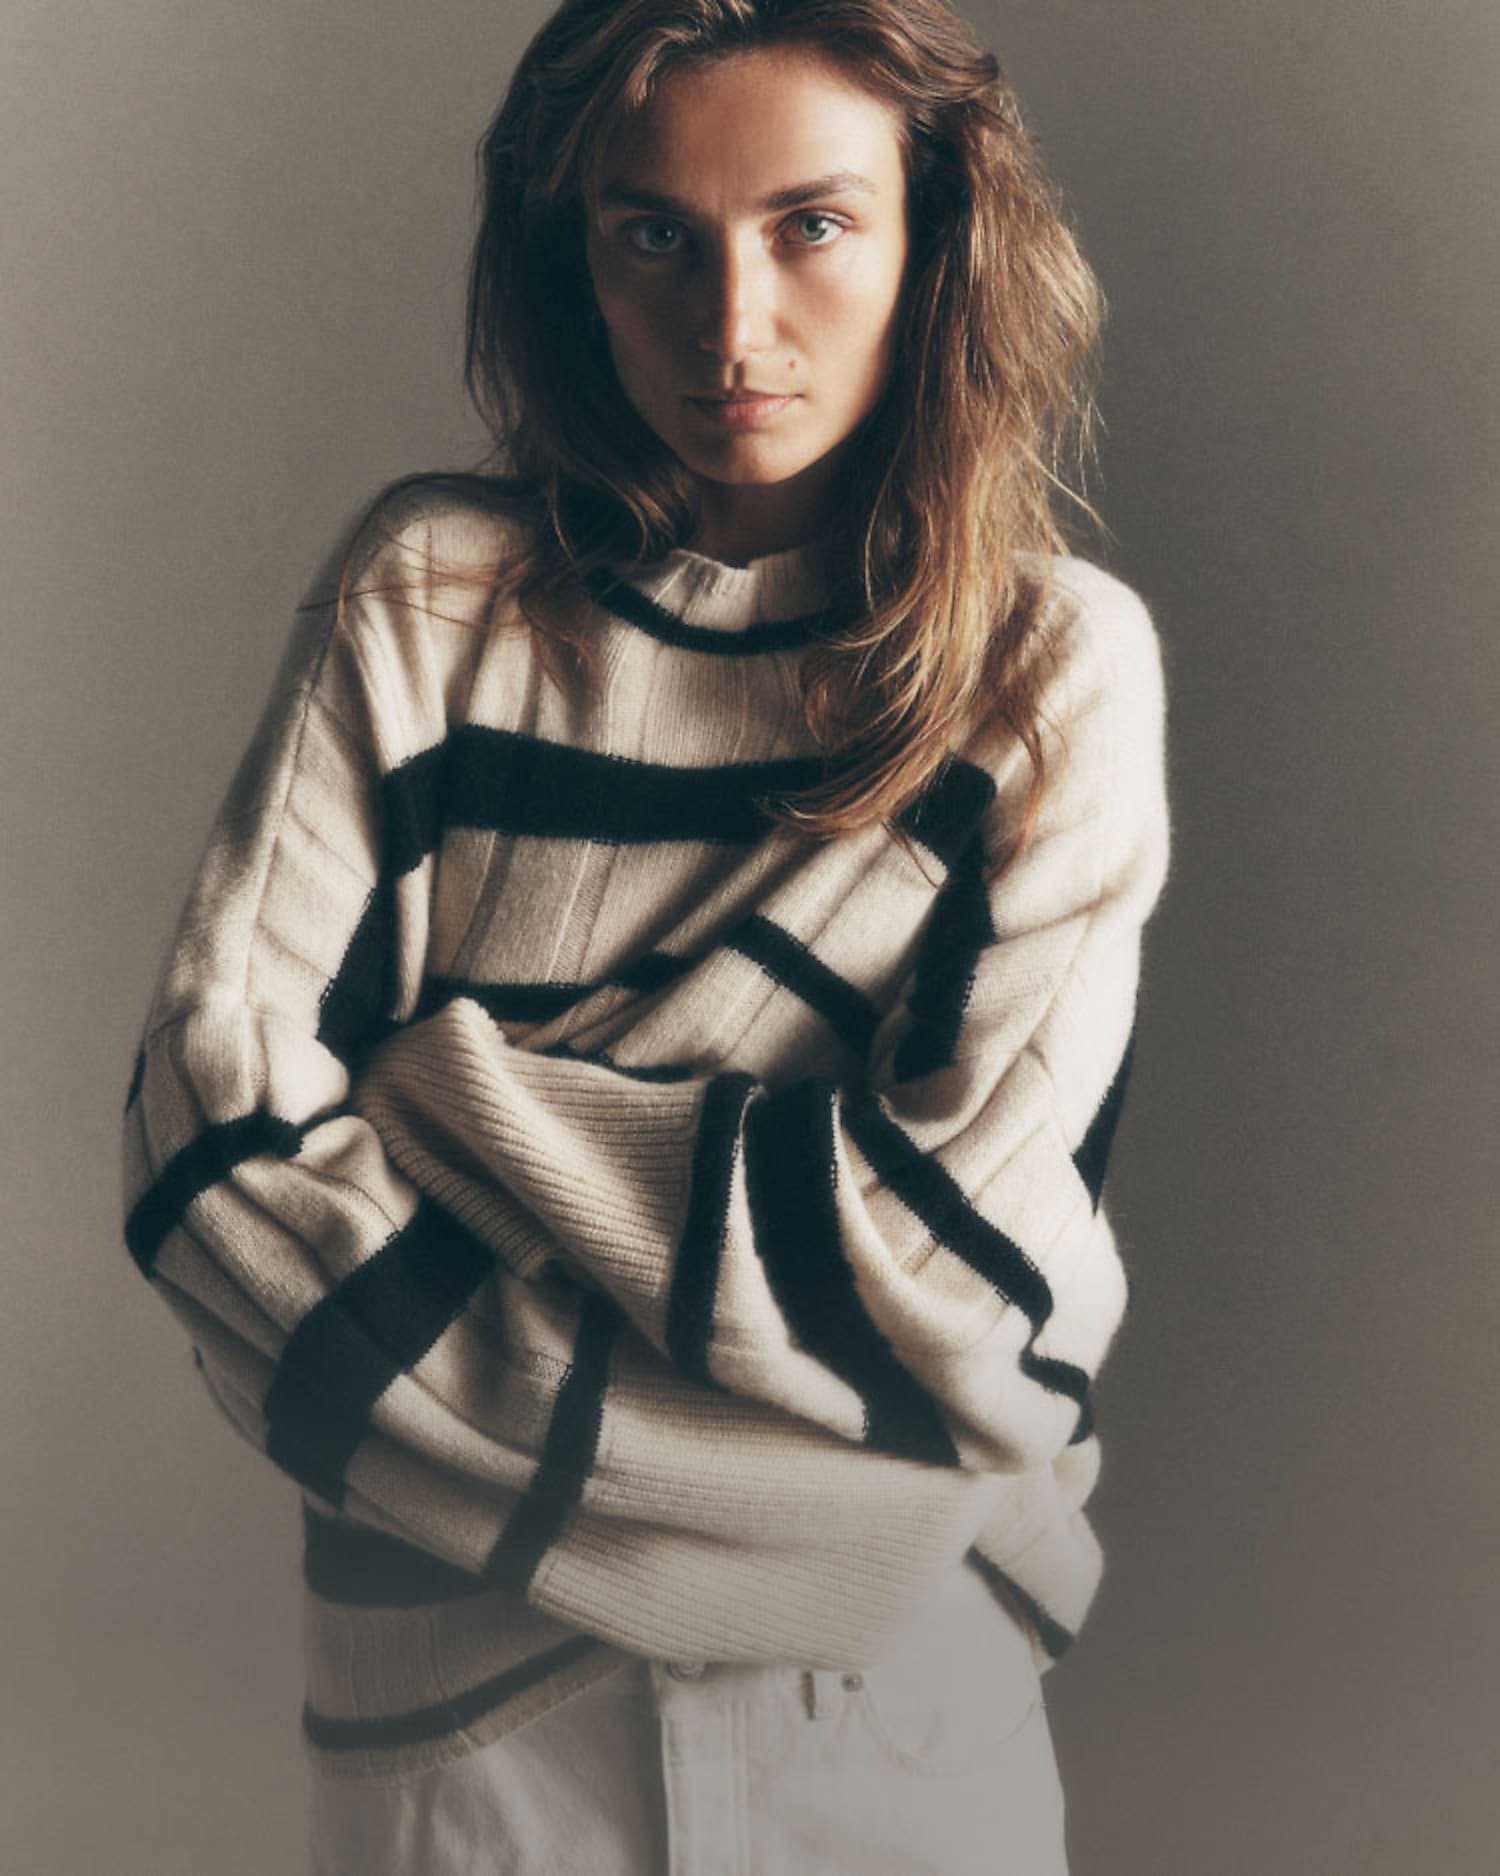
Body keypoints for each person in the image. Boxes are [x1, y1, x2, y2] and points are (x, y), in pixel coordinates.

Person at [120, 0, 1170, 1869]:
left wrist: (458, 1107)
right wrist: (826, 1518)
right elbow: (207, 1158)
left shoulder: (1048, 665)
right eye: (652, 235)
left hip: (890, 1725)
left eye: (811, 225)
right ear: (569, 249)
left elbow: (962, 1275)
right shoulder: (429, 597)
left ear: (939, 234)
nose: (733, 324)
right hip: (468, 1727)